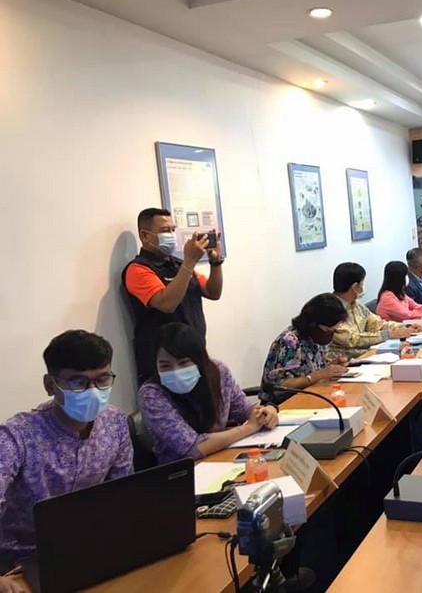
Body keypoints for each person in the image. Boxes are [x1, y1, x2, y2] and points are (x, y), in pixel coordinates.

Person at [0, 331, 132, 584]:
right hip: (23, 562)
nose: (93, 391)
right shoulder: (16, 437)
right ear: (51, 385)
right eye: (77, 382)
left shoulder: (114, 422)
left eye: (102, 379)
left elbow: (123, 492)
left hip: (92, 548)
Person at [139, 323, 278, 464]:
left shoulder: (218, 371)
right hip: (183, 470)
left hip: (223, 455)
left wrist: (265, 413)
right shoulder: (151, 394)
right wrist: (248, 428)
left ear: (199, 360)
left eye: (184, 362)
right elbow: (193, 448)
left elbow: (243, 410)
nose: (175, 371)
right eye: (165, 366)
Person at [123, 208, 224, 385]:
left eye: (172, 230)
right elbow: (167, 304)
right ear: (145, 236)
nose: (171, 235)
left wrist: (215, 262)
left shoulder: (178, 265)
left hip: (193, 355)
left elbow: (213, 292)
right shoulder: (137, 269)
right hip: (163, 364)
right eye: (165, 231)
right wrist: (190, 261)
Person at [261, 294, 349, 404]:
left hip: (310, 397)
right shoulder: (290, 341)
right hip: (282, 405)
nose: (330, 334)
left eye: (333, 330)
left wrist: (331, 368)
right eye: (328, 330)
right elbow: (278, 387)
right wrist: (317, 376)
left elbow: (312, 371)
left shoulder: (315, 338)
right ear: (314, 323)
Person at [327, 263, 421, 360]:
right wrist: (388, 335)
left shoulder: (356, 305)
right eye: (362, 284)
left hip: (366, 355)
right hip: (343, 361)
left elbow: (377, 324)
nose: (363, 287)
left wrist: (404, 327)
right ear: (355, 287)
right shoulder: (330, 308)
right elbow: (351, 339)